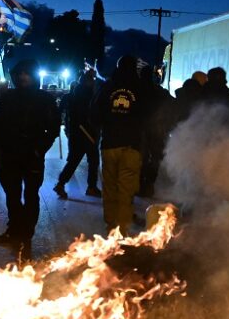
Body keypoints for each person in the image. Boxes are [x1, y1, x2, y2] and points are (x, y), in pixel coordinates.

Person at [0, 59, 58, 250]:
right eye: (20, 74)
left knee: (30, 194)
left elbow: (53, 128)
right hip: (10, 154)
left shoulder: (45, 99)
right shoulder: (7, 97)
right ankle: (14, 229)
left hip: (32, 155)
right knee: (12, 194)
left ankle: (26, 232)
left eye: (26, 73)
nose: (22, 77)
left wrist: (40, 148)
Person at [90, 55, 147, 234]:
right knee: (126, 188)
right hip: (132, 146)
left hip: (110, 144)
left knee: (110, 186)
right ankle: (123, 228)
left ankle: (111, 223)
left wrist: (105, 126)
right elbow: (150, 115)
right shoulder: (141, 88)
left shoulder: (108, 87)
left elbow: (94, 113)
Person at [53, 70, 100, 199]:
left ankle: (61, 184)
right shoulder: (88, 95)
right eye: (92, 80)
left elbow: (62, 111)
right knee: (93, 160)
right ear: (87, 81)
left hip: (76, 132)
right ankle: (91, 187)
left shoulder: (72, 94)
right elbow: (89, 114)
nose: (93, 82)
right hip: (87, 132)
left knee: (74, 160)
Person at [138, 64, 174, 198]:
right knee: (155, 158)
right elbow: (172, 104)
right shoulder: (159, 91)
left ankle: (141, 183)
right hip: (157, 130)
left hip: (140, 130)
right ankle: (149, 184)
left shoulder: (135, 91)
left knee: (141, 158)